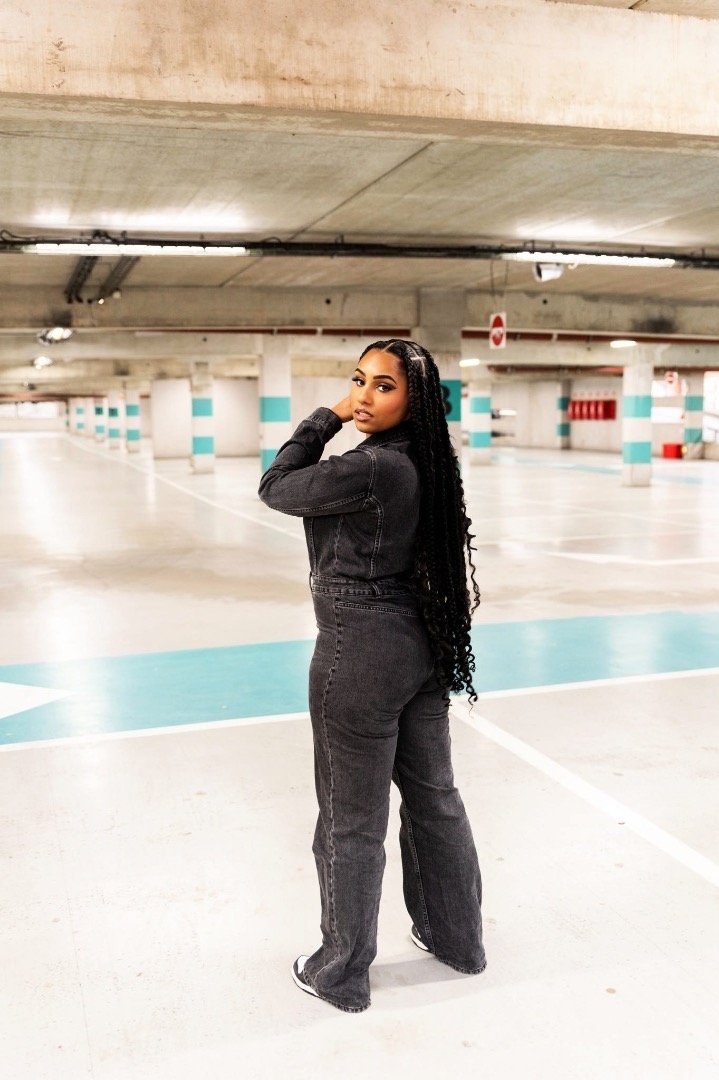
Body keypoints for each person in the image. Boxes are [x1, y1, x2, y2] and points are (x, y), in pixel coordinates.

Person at [258, 338, 486, 1013]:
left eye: (382, 386)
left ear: (416, 400)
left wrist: (323, 418)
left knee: (350, 821)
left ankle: (339, 971)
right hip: (420, 647)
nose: (361, 396)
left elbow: (276, 486)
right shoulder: (428, 459)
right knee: (434, 800)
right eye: (357, 381)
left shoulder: (372, 466)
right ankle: (457, 939)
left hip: (359, 653)